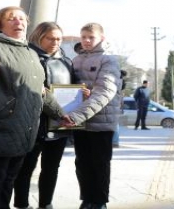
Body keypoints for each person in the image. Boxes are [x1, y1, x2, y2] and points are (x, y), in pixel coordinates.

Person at [0, 8, 68, 209]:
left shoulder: (29, 52)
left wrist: (60, 114)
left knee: (8, 182)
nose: (19, 22)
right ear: (0, 24)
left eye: (22, 18)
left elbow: (40, 90)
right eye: (12, 18)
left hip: (24, 130)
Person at [13, 21, 83, 209]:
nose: (55, 42)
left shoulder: (66, 61)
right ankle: (21, 204)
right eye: (50, 38)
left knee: (51, 168)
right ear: (39, 37)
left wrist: (82, 92)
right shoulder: (28, 56)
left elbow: (74, 87)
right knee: (25, 168)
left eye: (58, 38)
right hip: (32, 123)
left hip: (58, 124)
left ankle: (46, 204)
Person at [62, 23, 121, 209]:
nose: (86, 41)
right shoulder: (75, 60)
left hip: (100, 122)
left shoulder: (109, 60)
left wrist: (77, 116)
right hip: (79, 122)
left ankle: (99, 202)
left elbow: (105, 91)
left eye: (91, 37)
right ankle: (87, 199)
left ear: (101, 38)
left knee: (100, 164)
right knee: (82, 163)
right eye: (83, 37)